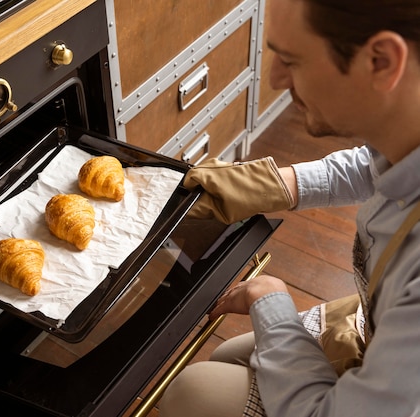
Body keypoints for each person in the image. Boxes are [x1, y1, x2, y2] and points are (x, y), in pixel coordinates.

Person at [159, 0, 420, 416]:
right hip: (375, 326)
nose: (276, 78)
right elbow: (372, 165)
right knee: (230, 354)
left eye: (292, 60)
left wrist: (275, 302)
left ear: (382, 61)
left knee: (191, 391)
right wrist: (268, 185)